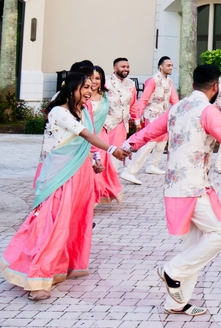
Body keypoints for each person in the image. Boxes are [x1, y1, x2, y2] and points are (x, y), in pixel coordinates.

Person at [121, 65, 221, 317]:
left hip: (175, 186)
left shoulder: (176, 108)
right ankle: (171, 270)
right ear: (215, 87)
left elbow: (149, 131)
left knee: (193, 245)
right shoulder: (207, 111)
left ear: (193, 84)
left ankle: (175, 303)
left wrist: (127, 146)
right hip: (193, 187)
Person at [1, 73, 128, 301]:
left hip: (81, 176)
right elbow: (86, 135)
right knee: (52, 225)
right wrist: (111, 150)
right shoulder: (59, 112)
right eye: (85, 87)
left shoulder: (82, 111)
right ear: (71, 88)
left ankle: (59, 268)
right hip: (60, 176)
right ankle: (37, 278)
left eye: (92, 86)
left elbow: (85, 143)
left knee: (74, 223)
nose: (90, 90)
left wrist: (95, 161)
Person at [121, 56, 179, 184]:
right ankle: (130, 170)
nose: (171, 67)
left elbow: (174, 99)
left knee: (163, 140)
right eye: (168, 65)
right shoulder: (152, 81)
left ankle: (153, 165)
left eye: (171, 65)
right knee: (150, 143)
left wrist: (180, 112)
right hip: (152, 115)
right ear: (161, 67)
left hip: (163, 116)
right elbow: (144, 99)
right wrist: (137, 116)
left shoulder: (169, 82)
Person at [88, 66, 123, 204]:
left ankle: (94, 199)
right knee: (88, 166)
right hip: (85, 136)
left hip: (101, 135)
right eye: (91, 78)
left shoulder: (105, 96)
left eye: (97, 78)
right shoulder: (82, 94)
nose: (94, 81)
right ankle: (88, 197)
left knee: (98, 167)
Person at [101, 58, 139, 159]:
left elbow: (133, 104)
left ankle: (113, 174)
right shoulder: (106, 82)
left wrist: (137, 121)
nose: (125, 69)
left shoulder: (131, 84)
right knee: (104, 153)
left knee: (117, 153)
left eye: (127, 67)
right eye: (122, 67)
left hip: (122, 124)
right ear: (114, 68)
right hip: (106, 124)